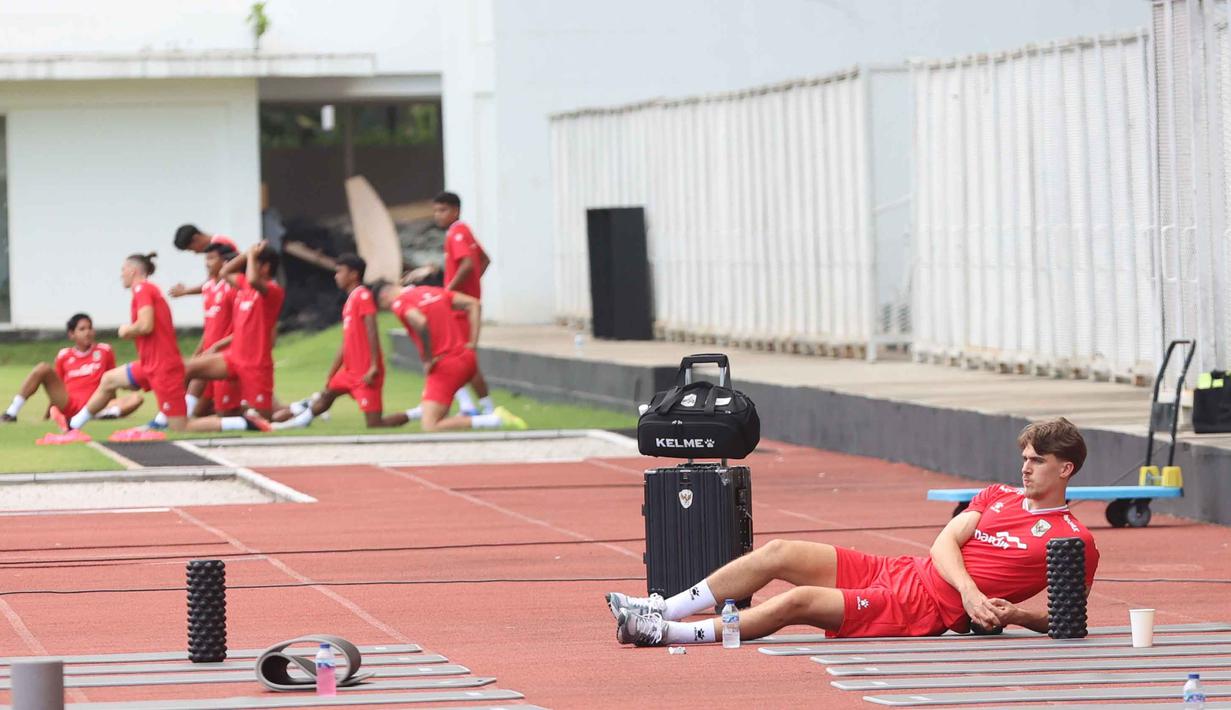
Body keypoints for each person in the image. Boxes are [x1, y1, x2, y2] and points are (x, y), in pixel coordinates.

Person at [607, 418, 1100, 645]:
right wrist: (971, 592)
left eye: (1038, 462)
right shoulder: (999, 495)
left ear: (1067, 470)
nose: (1026, 469)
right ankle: (662, 606)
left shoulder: (1073, 540)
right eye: (1025, 459)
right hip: (903, 570)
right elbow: (946, 541)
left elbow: (1065, 621)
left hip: (919, 609)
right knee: (778, 551)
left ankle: (664, 633)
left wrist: (1014, 614)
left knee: (798, 602)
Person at [260, 254, 405, 429]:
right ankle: (291, 424)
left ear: (353, 275)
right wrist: (333, 371)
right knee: (327, 395)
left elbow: (372, 330)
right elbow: (347, 341)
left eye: (340, 272)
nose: (336, 276)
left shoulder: (363, 296)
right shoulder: (350, 300)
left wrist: (374, 365)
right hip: (350, 371)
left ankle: (417, 413)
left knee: (375, 424)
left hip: (365, 372)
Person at [52, 254, 188, 438]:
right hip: (151, 364)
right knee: (109, 380)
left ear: (132, 271)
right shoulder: (145, 290)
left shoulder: (142, 288)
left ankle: (238, 422)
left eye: (122, 270)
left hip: (163, 367)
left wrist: (126, 330)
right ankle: (73, 424)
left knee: (181, 427)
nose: (121, 275)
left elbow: (145, 325)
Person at [369, 277, 526, 432]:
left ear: (384, 296)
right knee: (433, 407)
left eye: (385, 307)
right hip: (466, 357)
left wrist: (428, 358)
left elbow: (420, 322)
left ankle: (494, 419)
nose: (389, 310)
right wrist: (472, 343)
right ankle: (481, 410)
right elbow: (474, 304)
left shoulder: (400, 302)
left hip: (445, 364)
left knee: (431, 425)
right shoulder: (432, 291)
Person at [181, 242, 284, 432]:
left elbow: (253, 280)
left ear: (266, 267)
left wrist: (251, 256)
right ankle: (172, 418)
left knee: (263, 418)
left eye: (254, 263)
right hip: (233, 357)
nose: (246, 269)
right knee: (186, 368)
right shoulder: (244, 286)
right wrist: (247, 253)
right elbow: (225, 271)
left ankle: (295, 414)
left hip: (256, 364)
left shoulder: (273, 291)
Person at [2, 313, 142, 423]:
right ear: (71, 334)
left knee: (136, 398)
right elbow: (57, 390)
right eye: (82, 329)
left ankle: (106, 414)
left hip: (97, 404)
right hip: (70, 404)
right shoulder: (64, 355)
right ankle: (11, 412)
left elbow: (112, 385)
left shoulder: (105, 351)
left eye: (89, 328)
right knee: (42, 368)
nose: (87, 332)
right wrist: (48, 415)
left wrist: (110, 403)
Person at [430, 191, 495, 417]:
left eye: (442, 210)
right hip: (464, 306)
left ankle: (479, 407)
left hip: (459, 309)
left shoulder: (456, 232)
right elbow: (484, 259)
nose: (437, 215)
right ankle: (472, 406)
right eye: (436, 211)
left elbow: (468, 264)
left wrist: (451, 292)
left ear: (455, 211)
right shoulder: (463, 230)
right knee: (456, 358)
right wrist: (472, 289)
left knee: (456, 358)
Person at [170, 242, 241, 418]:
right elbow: (210, 327)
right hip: (208, 354)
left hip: (225, 357)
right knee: (200, 411)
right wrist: (198, 351)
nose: (207, 263)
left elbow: (242, 328)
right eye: (206, 258)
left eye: (211, 258)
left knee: (225, 410)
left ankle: (167, 419)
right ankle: (172, 417)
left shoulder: (231, 288)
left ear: (225, 262)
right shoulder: (208, 287)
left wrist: (217, 346)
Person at [173, 224, 239, 254]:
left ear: (196, 238)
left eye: (192, 249)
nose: (196, 253)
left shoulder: (220, 243)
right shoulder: (214, 245)